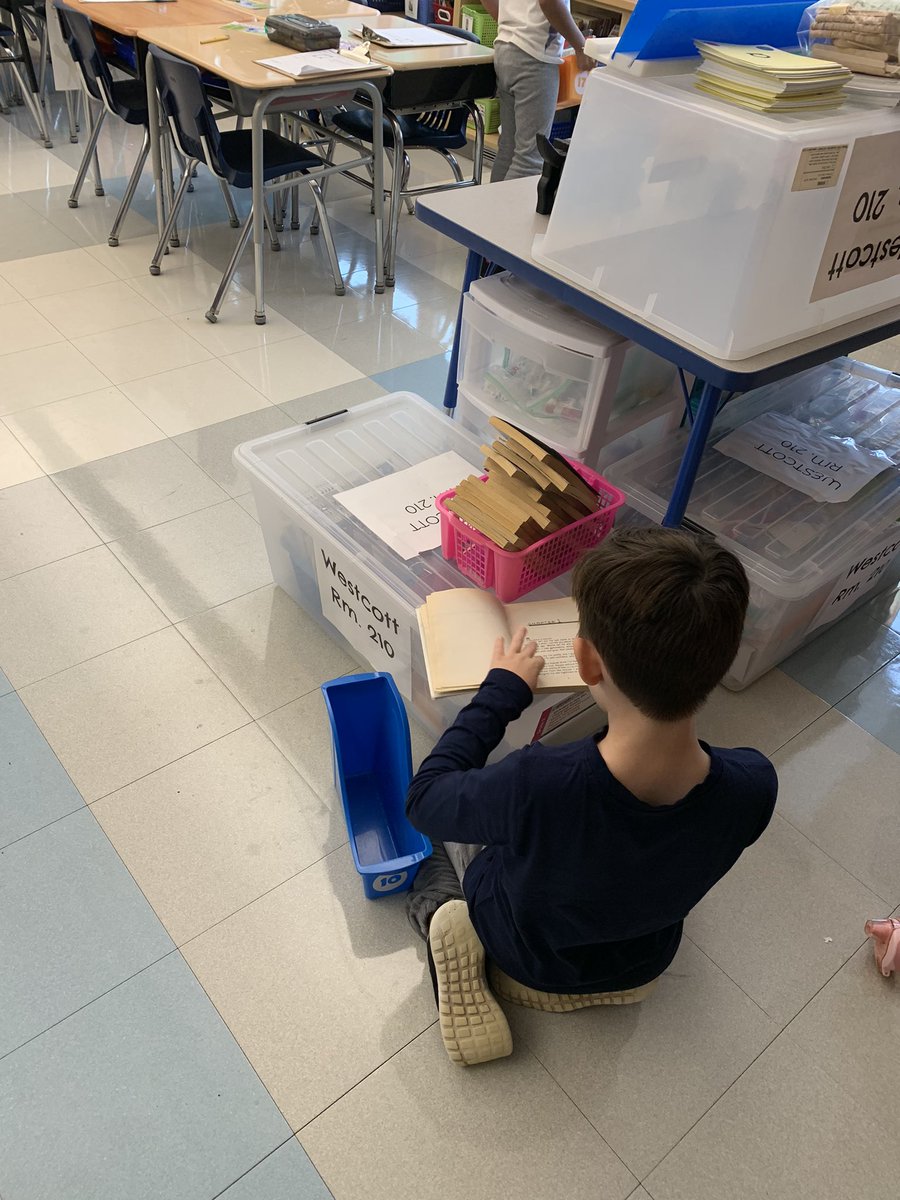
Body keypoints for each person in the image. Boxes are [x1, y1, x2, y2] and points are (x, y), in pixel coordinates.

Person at [405, 528, 778, 1066]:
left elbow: (423, 801)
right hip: (642, 958)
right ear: (721, 661)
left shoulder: (538, 783)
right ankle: (605, 984)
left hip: (527, 952)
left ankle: (458, 935)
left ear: (585, 660)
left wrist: (500, 693)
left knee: (441, 846)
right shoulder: (754, 783)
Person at [480, 0, 593, 181]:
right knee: (529, 160)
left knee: (509, 149)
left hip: (507, 47)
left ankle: (491, 208)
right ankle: (508, 209)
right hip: (534, 57)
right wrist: (581, 46)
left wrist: (512, 23)